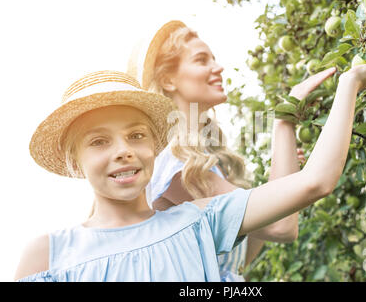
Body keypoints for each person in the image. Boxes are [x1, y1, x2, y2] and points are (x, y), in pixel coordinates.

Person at [15, 49, 366, 281]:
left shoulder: (197, 221)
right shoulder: (48, 255)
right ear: (73, 159)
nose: (123, 151)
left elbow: (316, 182)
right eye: (99, 141)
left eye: (136, 136)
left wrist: (349, 83)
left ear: (155, 144)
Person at [127, 21, 338, 281]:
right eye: (202, 60)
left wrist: (283, 173)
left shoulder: (203, 163)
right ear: (168, 80)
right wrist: (285, 118)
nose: (218, 67)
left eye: (213, 59)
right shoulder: (173, 165)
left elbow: (241, 257)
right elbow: (281, 228)